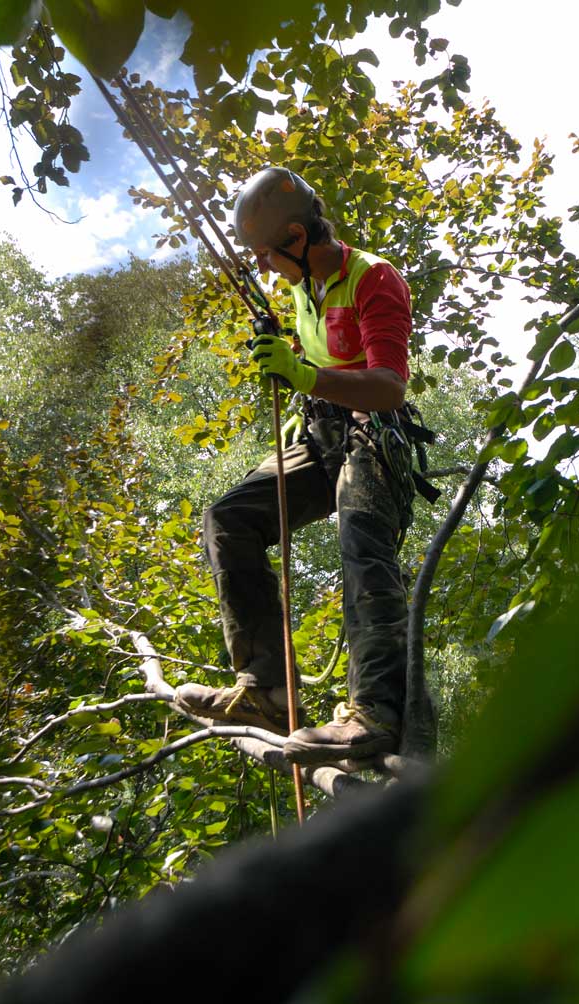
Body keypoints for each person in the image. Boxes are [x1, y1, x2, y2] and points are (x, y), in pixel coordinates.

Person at [172, 166, 417, 765]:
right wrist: (299, 386)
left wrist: (304, 374)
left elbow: (387, 386)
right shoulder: (303, 288)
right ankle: (269, 691)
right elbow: (321, 363)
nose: (262, 269)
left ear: (297, 238)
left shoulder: (373, 278)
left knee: (361, 544)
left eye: (264, 255)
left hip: (373, 436)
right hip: (320, 434)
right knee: (228, 519)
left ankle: (376, 714)